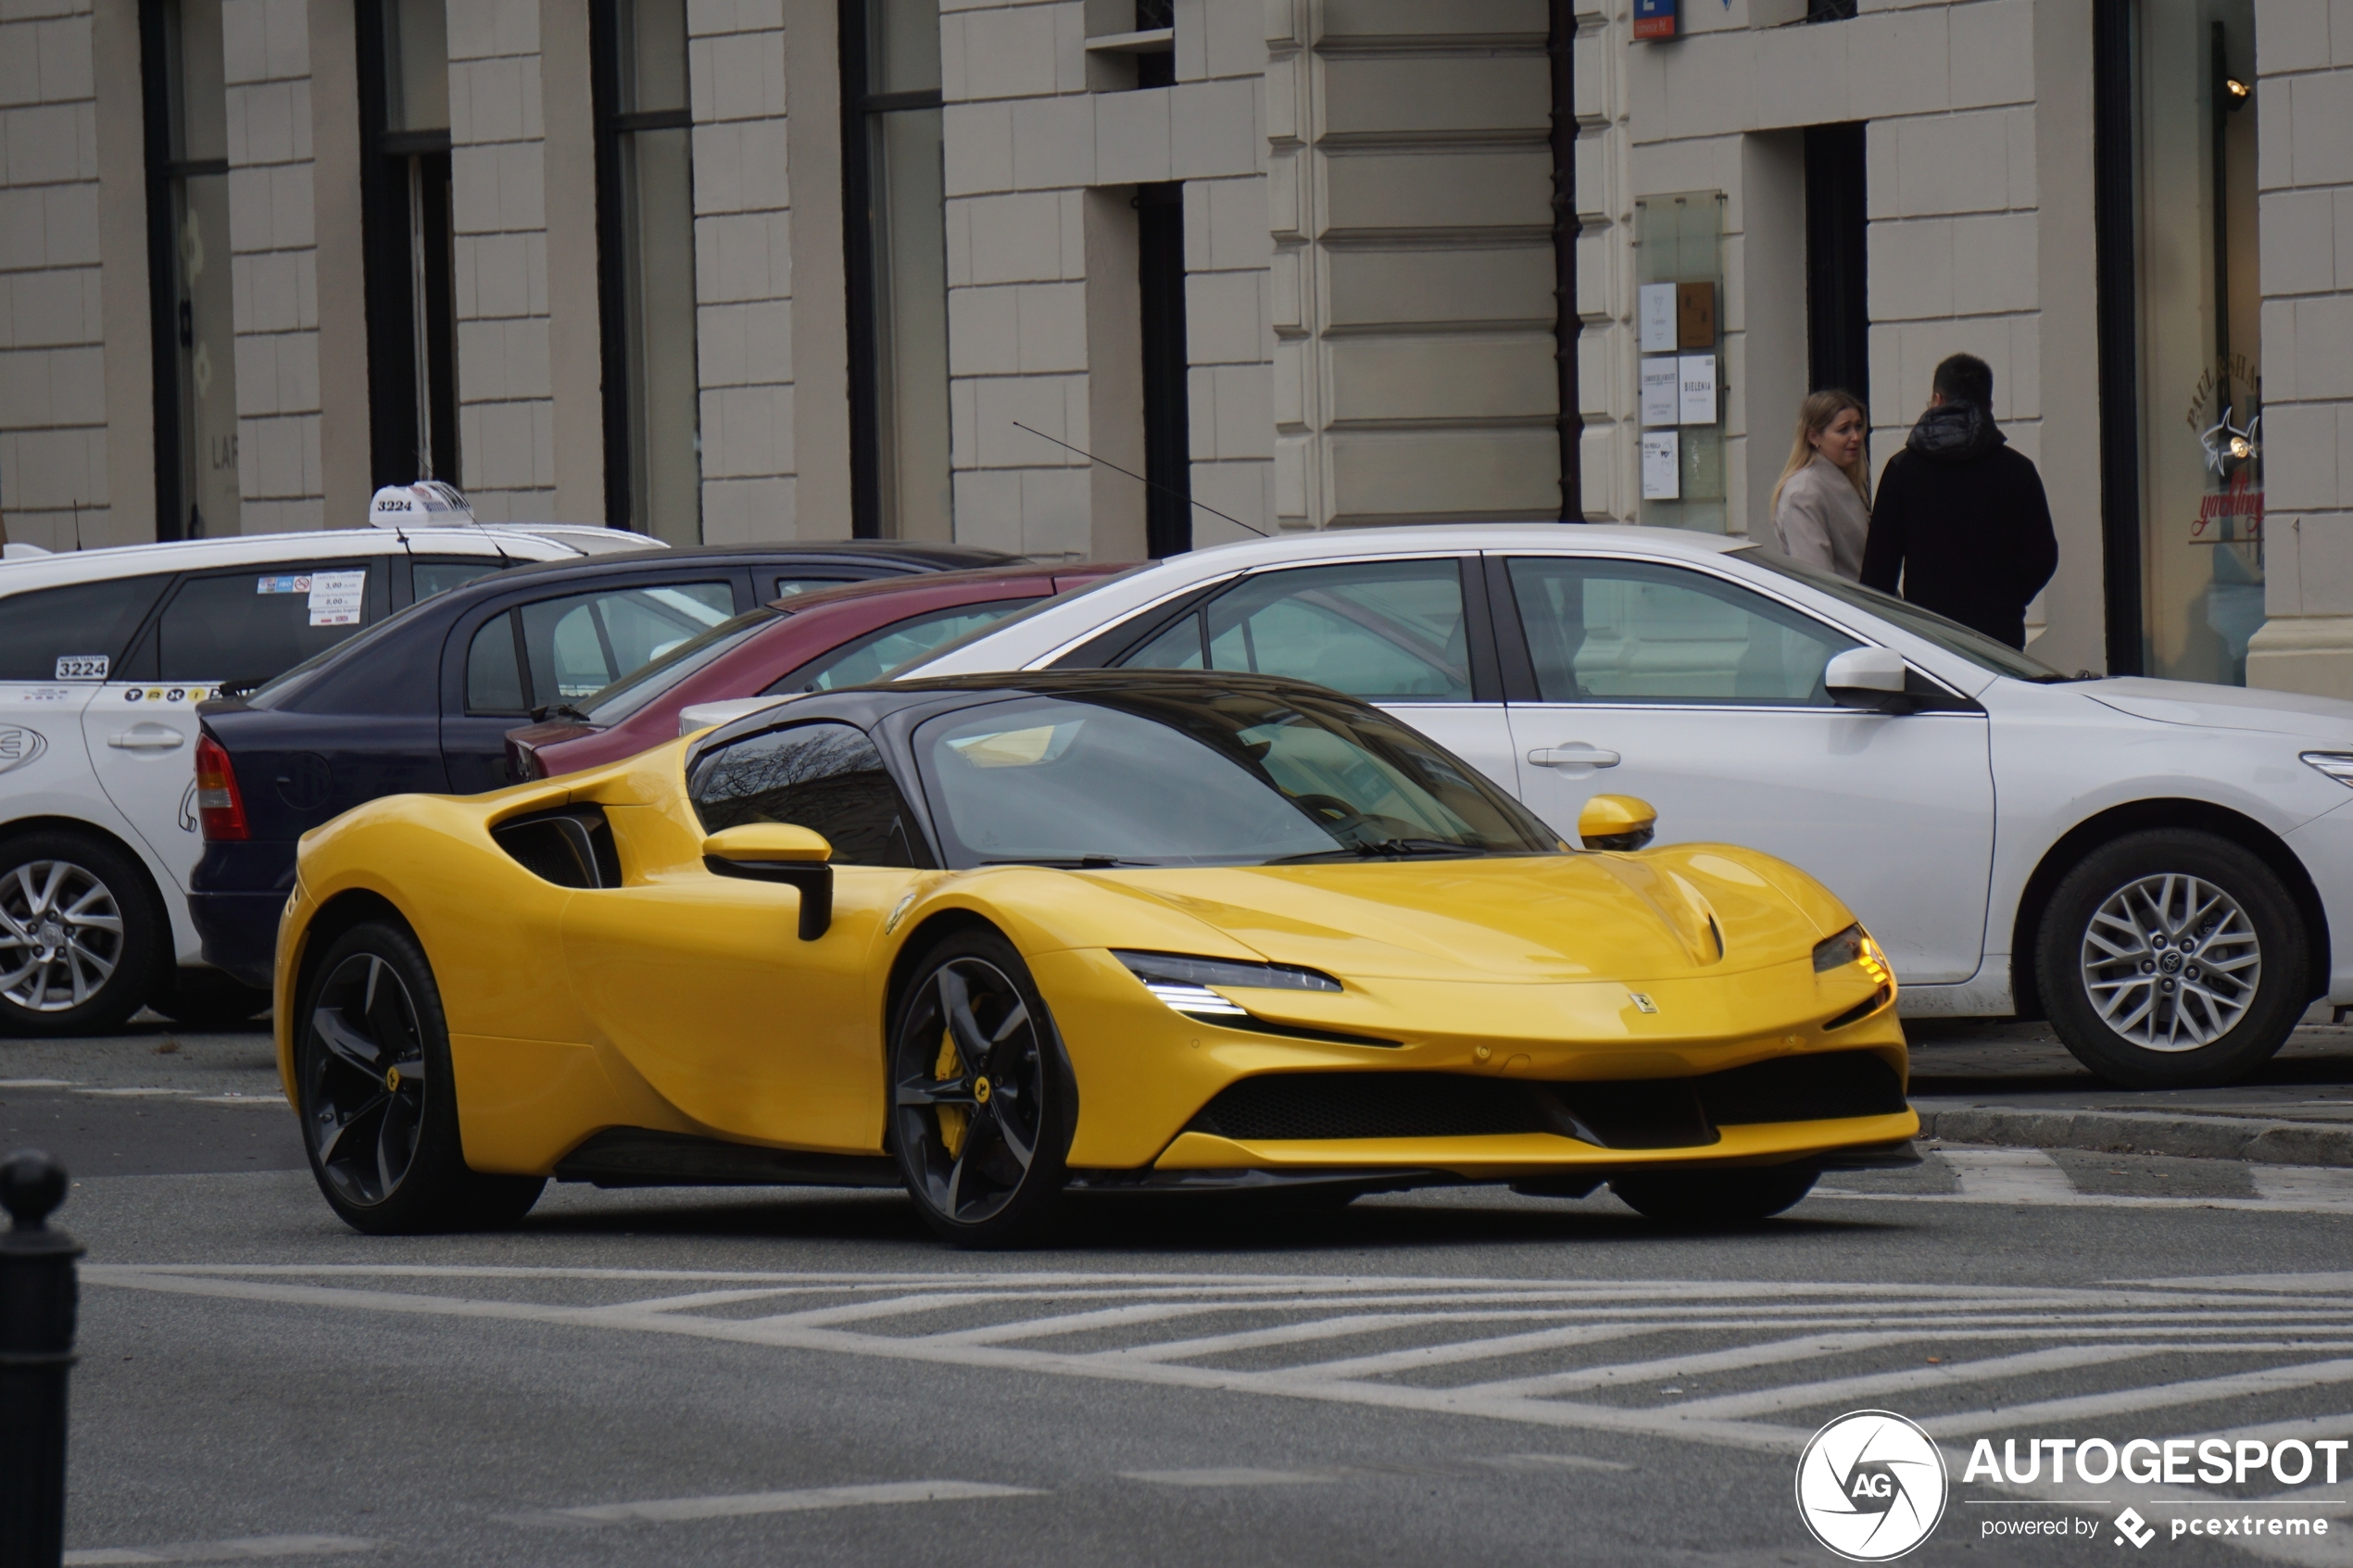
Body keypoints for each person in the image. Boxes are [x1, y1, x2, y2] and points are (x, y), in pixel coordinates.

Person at [1861, 353, 2057, 650]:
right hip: (1998, 637)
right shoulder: (2018, 470)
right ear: (1989, 407)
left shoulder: (1902, 470)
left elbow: (1878, 573)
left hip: (1928, 637)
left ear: (1937, 400)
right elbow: (2042, 556)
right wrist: (2007, 597)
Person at [1769, 390, 1871, 581]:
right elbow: (1818, 578)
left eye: (1858, 427)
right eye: (1844, 429)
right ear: (1814, 436)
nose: (1856, 437)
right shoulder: (1804, 492)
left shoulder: (1837, 481)